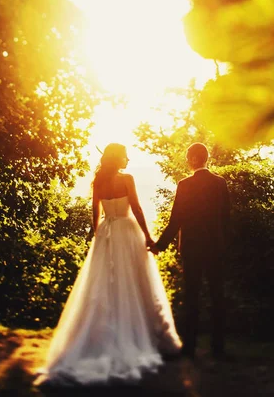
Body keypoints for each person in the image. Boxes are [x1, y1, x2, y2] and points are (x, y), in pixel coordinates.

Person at [35, 143, 181, 386]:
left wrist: (98, 235)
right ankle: (139, 335)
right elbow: (136, 208)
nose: (128, 159)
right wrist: (147, 235)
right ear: (118, 157)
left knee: (105, 284)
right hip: (127, 230)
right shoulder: (127, 179)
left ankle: (102, 335)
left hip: (106, 232)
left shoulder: (99, 182)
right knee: (135, 281)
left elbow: (95, 210)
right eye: (125, 155)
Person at [150, 143, 230, 360]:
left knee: (192, 296)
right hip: (215, 247)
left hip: (192, 248)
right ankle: (218, 347)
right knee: (217, 296)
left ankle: (190, 347)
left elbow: (176, 219)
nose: (187, 160)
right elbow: (226, 218)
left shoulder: (185, 185)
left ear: (195, 159)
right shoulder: (220, 183)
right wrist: (225, 244)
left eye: (188, 157)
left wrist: (160, 245)